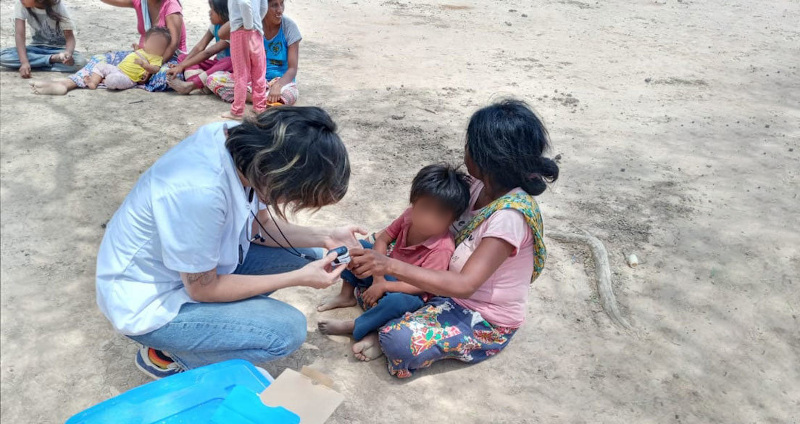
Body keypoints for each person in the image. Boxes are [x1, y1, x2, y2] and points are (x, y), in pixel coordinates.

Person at [95, 106, 364, 379]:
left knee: (306, 254)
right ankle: (171, 355)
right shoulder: (201, 193)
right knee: (286, 332)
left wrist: (327, 236)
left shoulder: (249, 148)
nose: (287, 202)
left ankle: (217, 327)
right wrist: (296, 278)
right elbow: (203, 289)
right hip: (150, 301)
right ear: (278, 176)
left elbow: (261, 226)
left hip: (190, 272)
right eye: (291, 197)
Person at [347, 99, 559, 378]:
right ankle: (389, 310)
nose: (465, 152)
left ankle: (385, 324)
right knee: (358, 255)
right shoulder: (477, 187)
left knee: (398, 340)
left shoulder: (509, 217)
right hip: (436, 276)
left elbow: (465, 285)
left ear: (485, 159)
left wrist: (388, 266)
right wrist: (382, 250)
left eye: (469, 145)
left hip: (478, 312)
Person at [317, 164, 470, 341]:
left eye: (440, 215)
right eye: (425, 208)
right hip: (386, 272)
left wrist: (384, 286)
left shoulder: (442, 248)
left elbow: (421, 286)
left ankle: (357, 325)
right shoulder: (408, 217)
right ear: (414, 203)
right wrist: (378, 278)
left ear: (452, 219)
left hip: (410, 292)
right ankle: (346, 295)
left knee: (398, 302)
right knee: (355, 249)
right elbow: (383, 240)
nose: (429, 219)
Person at [31, 0, 186, 95]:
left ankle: (115, 80)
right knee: (101, 59)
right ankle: (68, 83)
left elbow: (173, 44)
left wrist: (150, 67)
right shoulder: (140, 2)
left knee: (171, 76)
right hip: (141, 54)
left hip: (165, 59)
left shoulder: (171, 5)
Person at [207, 0, 300, 108]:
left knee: (290, 94)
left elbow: (292, 69)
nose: (280, 10)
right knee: (213, 79)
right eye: (274, 5)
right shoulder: (252, 23)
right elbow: (222, 34)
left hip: (280, 82)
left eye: (282, 4)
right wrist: (245, 12)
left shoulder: (289, 27)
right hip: (252, 82)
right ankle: (264, 100)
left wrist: (277, 86)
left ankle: (261, 98)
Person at [0, 0, 85, 77]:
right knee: (2, 55)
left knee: (80, 62)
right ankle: (51, 59)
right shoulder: (21, 3)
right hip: (36, 48)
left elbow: (70, 37)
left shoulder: (57, 5)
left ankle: (37, 63)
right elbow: (19, 35)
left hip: (58, 50)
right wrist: (24, 62)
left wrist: (68, 54)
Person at [166, 0, 231, 95]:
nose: (210, 12)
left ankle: (191, 85)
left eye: (213, 9)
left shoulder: (230, 30)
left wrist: (182, 66)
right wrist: (183, 63)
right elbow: (200, 47)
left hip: (228, 67)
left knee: (229, 61)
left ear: (223, 12)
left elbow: (208, 52)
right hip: (216, 64)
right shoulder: (215, 26)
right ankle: (202, 84)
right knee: (183, 57)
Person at [84, 27, 170, 90]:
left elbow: (156, 69)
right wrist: (136, 49)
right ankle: (93, 82)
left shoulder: (156, 58)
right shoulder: (142, 51)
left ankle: (104, 80)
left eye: (159, 46)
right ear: (145, 42)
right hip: (118, 69)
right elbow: (137, 54)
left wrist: (145, 65)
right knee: (100, 66)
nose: (155, 47)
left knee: (113, 80)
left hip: (129, 78)